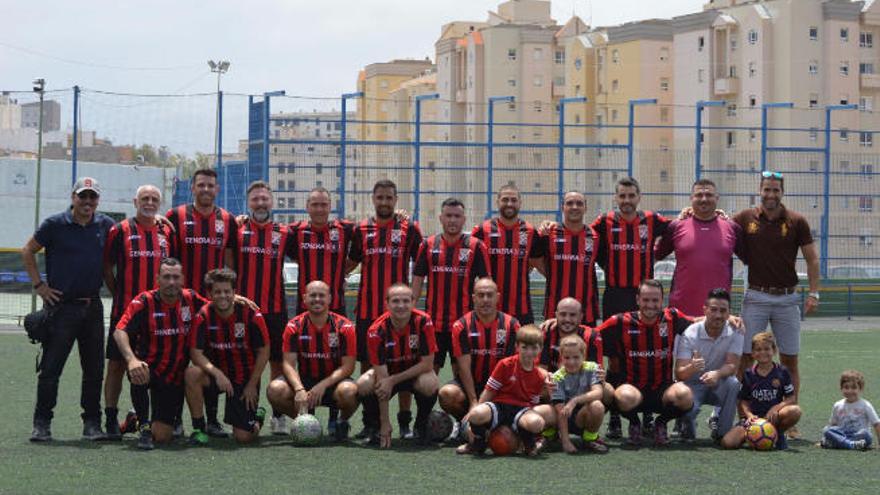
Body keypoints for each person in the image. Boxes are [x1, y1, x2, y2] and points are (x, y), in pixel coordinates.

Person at [23, 177, 116, 442]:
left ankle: (92, 424)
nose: (87, 202)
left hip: (92, 306)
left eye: (92, 197)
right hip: (61, 307)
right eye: (83, 196)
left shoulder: (106, 225)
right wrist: (40, 286)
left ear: (97, 200)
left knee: (94, 370)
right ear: (73, 197)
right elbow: (27, 251)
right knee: (51, 369)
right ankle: (42, 424)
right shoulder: (55, 224)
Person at [734, 171, 820, 439]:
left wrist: (814, 293)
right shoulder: (745, 218)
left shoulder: (797, 221)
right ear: (759, 191)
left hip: (786, 298)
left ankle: (786, 419)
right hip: (756, 297)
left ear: (782, 193)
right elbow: (720, 224)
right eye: (766, 190)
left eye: (776, 190)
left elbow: (812, 260)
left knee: (789, 360)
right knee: (746, 357)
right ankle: (743, 417)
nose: (771, 195)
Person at [591, 177, 670, 437]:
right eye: (622, 196)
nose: (626, 201)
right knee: (615, 360)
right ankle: (615, 416)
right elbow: (582, 232)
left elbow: (679, 228)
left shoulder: (652, 220)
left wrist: (690, 212)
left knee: (647, 353)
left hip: (643, 297)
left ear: (639, 196)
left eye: (631, 196)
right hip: (614, 296)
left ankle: (647, 415)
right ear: (616, 198)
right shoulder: (604, 222)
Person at [347, 180, 422, 439]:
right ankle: (371, 423)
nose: (384, 202)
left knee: (403, 364)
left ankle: (403, 422)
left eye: (389, 198)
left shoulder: (409, 229)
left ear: (396, 200)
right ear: (373, 199)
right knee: (369, 368)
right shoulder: (361, 230)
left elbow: (421, 266)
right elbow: (351, 263)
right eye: (380, 197)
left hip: (400, 313)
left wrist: (413, 298)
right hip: (368, 313)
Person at [166, 167, 238, 437]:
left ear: (217, 190)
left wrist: (230, 294)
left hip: (213, 306)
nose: (206, 190)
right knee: (177, 362)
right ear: (192, 188)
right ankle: (174, 418)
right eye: (201, 185)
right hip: (181, 303)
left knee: (213, 359)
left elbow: (229, 261)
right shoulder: (175, 216)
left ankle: (212, 420)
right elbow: (168, 261)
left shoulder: (228, 220)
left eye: (211, 186)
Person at [113, 258, 209, 450]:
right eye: (166, 277)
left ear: (182, 279)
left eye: (175, 277)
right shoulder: (144, 301)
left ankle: (134, 419)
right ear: (158, 279)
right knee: (138, 371)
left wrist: (238, 299)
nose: (171, 282)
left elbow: (215, 306)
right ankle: (144, 428)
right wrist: (131, 360)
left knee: (163, 436)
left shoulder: (190, 298)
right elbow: (120, 331)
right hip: (149, 370)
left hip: (173, 378)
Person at [102, 184, 172, 440]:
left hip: (158, 313)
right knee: (117, 365)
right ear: (135, 201)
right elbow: (107, 267)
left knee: (158, 365)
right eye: (145, 198)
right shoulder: (119, 230)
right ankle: (110, 418)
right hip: (125, 312)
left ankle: (150, 417)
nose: (150, 202)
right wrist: (119, 293)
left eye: (154, 199)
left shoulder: (166, 230)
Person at [232, 181, 297, 435]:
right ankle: (250, 413)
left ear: (272, 202)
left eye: (264, 199)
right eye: (256, 199)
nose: (260, 203)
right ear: (249, 203)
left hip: (276, 309)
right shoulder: (236, 229)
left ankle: (278, 415)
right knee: (248, 364)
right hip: (244, 310)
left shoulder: (285, 233)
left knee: (278, 364)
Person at [598, 280, 695, 448]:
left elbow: (699, 323)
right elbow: (590, 333)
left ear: (662, 301)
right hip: (633, 389)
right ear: (637, 299)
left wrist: (727, 318)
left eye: (655, 300)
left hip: (662, 390)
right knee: (622, 396)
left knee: (685, 396)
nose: (650, 305)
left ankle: (661, 423)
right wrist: (557, 322)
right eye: (646, 300)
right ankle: (634, 423)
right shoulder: (620, 321)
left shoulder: (672, 317)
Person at [185, 268, 270, 445]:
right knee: (192, 374)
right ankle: (200, 429)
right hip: (217, 376)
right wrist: (217, 373)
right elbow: (196, 353)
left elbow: (264, 350)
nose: (223, 296)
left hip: (244, 379)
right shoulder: (203, 316)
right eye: (217, 292)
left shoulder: (252, 314)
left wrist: (252, 384)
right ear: (209, 293)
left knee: (243, 437)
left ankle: (258, 417)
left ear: (234, 292)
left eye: (227, 291)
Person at [266, 281, 359, 441]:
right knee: (275, 389)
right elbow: (288, 364)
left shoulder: (344, 326)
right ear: (304, 299)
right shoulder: (294, 326)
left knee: (350, 392)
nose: (317, 299)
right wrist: (299, 389)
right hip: (305, 381)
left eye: (322, 295)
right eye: (313, 295)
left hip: (333, 383)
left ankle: (340, 421)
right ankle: (307, 420)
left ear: (330, 298)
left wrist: (322, 385)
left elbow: (348, 367)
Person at [412, 197, 490, 372]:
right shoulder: (428, 244)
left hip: (463, 324)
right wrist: (412, 313)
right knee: (427, 379)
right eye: (448, 215)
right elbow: (416, 283)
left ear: (464, 219)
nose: (452, 220)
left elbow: (486, 286)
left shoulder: (476, 246)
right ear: (441, 218)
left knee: (462, 376)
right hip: (433, 325)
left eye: (457, 216)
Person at [356, 284, 439, 448]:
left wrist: (393, 380)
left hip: (414, 373)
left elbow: (427, 364)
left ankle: (421, 426)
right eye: (395, 301)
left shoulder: (423, 321)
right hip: (387, 374)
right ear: (387, 304)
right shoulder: (376, 330)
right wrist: (385, 422)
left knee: (430, 382)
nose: (401, 306)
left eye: (405, 301)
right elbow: (382, 379)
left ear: (413, 302)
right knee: (364, 384)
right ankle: (376, 427)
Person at [457, 325, 556, 457]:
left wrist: (551, 389)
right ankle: (478, 443)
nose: (529, 352)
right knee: (475, 414)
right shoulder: (505, 364)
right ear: (517, 347)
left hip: (521, 410)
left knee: (537, 423)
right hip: (499, 407)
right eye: (524, 347)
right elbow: (489, 391)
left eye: (534, 348)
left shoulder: (541, 375)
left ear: (540, 349)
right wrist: (475, 413)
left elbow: (534, 403)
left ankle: (528, 444)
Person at [439, 278, 520, 436]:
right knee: (447, 394)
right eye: (481, 295)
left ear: (497, 297)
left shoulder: (512, 325)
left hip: (501, 387)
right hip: (472, 385)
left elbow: (511, 366)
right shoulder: (461, 326)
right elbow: (463, 368)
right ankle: (463, 421)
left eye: (490, 295)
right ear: (473, 298)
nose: (485, 300)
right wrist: (474, 401)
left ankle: (499, 420)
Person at [655, 179, 743, 316]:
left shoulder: (732, 228)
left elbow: (750, 258)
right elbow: (655, 255)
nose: (704, 199)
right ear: (691, 198)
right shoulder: (676, 226)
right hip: (681, 312)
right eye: (698, 195)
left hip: (718, 312)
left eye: (709, 195)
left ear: (717, 198)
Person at [674, 288, 743, 442]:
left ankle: (722, 432)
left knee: (733, 384)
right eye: (713, 310)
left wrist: (717, 374)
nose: (718, 315)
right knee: (680, 391)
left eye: (723, 311)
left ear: (729, 312)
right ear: (704, 310)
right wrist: (692, 366)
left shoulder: (737, 330)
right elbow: (679, 374)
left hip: (718, 382)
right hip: (692, 384)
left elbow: (733, 366)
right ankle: (686, 422)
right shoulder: (690, 333)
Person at [471, 184, 545, 325]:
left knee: (523, 346)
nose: (509, 204)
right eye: (505, 200)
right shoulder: (482, 231)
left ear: (520, 203)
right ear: (497, 202)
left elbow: (540, 265)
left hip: (521, 309)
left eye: (513, 200)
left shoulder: (530, 232)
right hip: (488, 309)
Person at [721, 332, 800, 450]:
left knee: (795, 411)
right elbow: (743, 400)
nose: (762, 352)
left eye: (766, 349)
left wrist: (776, 408)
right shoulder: (748, 373)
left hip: (772, 418)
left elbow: (791, 398)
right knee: (728, 443)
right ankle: (752, 436)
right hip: (754, 420)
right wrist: (749, 416)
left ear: (774, 351)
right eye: (758, 349)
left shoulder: (782, 372)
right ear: (752, 353)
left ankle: (777, 433)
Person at [536, 191, 600, 326]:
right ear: (562, 207)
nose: (575, 207)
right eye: (570, 203)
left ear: (585, 208)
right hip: (554, 311)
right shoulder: (548, 233)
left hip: (586, 312)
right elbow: (533, 258)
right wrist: (552, 274)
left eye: (579, 203)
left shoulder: (595, 236)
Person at [288, 187, 355, 317]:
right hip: (305, 307)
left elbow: (373, 230)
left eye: (324, 205)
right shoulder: (295, 231)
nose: (319, 209)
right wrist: (243, 221)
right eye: (315, 205)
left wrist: (340, 271)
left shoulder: (344, 229)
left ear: (330, 207)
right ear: (307, 207)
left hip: (336, 307)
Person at [539, 298, 613, 406]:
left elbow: (596, 373)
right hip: (554, 385)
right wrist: (549, 378)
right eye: (563, 315)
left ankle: (585, 418)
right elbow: (541, 368)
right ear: (556, 315)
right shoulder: (547, 332)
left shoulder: (591, 336)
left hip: (583, 386)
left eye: (572, 315)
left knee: (607, 391)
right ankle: (552, 416)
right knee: (539, 384)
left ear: (581, 316)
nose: (567, 319)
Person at [551, 335, 607, 454]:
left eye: (576, 357)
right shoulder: (557, 377)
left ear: (584, 356)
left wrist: (574, 400)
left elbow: (598, 392)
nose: (572, 362)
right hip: (564, 417)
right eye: (567, 357)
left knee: (597, 406)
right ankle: (550, 435)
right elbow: (561, 411)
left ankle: (590, 438)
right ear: (561, 357)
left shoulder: (592, 367)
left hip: (583, 416)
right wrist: (566, 441)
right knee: (545, 411)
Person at [820, 370, 880, 450]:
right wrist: (827, 434)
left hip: (858, 436)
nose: (850, 391)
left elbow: (876, 424)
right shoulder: (838, 405)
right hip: (842, 434)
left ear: (860, 389)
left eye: (854, 388)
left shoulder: (865, 405)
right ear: (841, 388)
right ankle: (851, 445)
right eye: (846, 387)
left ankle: (840, 444)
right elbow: (833, 424)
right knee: (827, 430)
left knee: (866, 434)